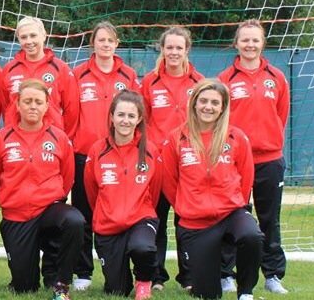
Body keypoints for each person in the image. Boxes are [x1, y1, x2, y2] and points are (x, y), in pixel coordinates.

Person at [160, 79, 262, 300]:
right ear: (194, 103)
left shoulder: (237, 137)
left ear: (223, 107)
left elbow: (246, 179)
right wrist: (185, 206)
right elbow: (169, 182)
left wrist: (234, 204)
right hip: (195, 222)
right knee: (208, 295)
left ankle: (245, 292)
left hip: (231, 213)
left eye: (215, 102)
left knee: (252, 235)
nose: (208, 107)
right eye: (203, 101)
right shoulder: (175, 138)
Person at [63, 21, 140, 291]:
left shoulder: (128, 75)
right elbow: (71, 114)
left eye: (110, 40)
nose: (105, 45)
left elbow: (137, 114)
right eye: (100, 40)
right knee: (83, 215)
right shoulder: (78, 74)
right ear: (92, 44)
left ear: (116, 43)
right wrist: (72, 146)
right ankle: (83, 271)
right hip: (84, 155)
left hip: (121, 157)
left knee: (118, 213)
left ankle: (125, 267)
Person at [217, 19, 291, 295]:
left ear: (263, 43)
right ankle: (227, 274)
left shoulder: (277, 77)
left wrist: (267, 143)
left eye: (255, 40)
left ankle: (272, 275)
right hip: (234, 161)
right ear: (236, 43)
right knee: (233, 216)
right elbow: (220, 120)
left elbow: (280, 116)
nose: (250, 45)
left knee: (269, 219)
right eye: (245, 40)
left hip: (270, 160)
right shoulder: (225, 80)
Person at [0, 79, 83, 300]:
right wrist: (13, 197)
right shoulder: (1, 138)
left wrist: (51, 197)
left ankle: (60, 282)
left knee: (74, 221)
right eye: (28, 101)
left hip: (49, 210)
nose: (33, 106)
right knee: (25, 287)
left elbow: (67, 177)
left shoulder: (59, 138)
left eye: (38, 102)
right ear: (18, 104)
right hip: (18, 216)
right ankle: (28, 270)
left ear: (46, 106)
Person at [139, 26, 204, 290]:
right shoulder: (150, 82)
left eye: (179, 47)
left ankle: (188, 277)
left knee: (186, 221)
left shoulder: (199, 82)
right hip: (157, 163)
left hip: (188, 163)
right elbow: (141, 121)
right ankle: (156, 277)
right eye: (169, 47)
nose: (174, 52)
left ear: (187, 49)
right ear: (162, 49)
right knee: (156, 220)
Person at [84, 90, 162, 300]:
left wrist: (138, 209)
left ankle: (144, 281)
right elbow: (92, 190)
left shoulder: (150, 151)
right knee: (117, 290)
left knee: (143, 248)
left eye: (130, 116)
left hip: (140, 218)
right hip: (107, 225)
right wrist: (107, 210)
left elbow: (154, 189)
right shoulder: (97, 150)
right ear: (111, 117)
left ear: (139, 120)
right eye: (120, 115)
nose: (125, 120)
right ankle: (123, 278)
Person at [1, 16, 73, 130]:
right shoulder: (9, 70)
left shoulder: (61, 69)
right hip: (16, 140)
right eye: (23, 37)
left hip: (51, 141)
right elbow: (5, 106)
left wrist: (63, 138)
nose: (29, 41)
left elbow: (71, 110)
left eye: (33, 35)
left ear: (44, 35)